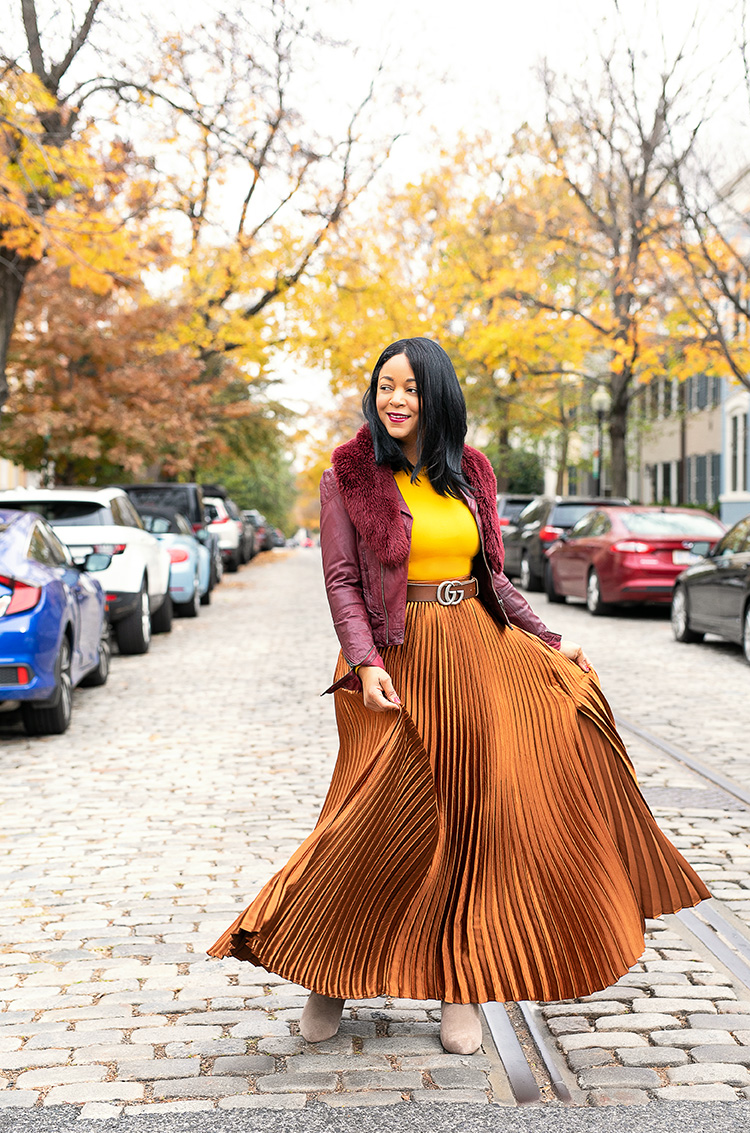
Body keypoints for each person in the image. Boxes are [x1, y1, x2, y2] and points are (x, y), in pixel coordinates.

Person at [209, 336, 709, 1056]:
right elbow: (343, 581)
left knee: (475, 820)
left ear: (435, 395)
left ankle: (462, 984)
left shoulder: (470, 474)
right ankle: (326, 970)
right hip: (397, 660)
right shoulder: (349, 475)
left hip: (477, 652)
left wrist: (547, 638)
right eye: (385, 386)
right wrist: (364, 658)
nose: (395, 399)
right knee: (370, 820)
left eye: (410, 387)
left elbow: (494, 578)